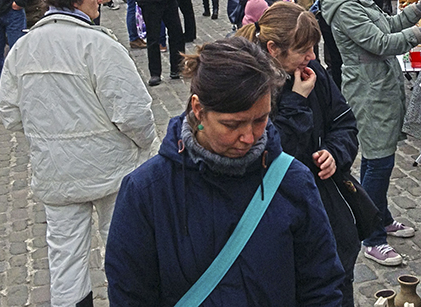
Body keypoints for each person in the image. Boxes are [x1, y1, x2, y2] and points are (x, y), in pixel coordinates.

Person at [105, 37, 346, 306]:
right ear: (198, 110)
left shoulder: (294, 182)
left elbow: (321, 287)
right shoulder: (146, 192)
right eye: (232, 125)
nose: (249, 137)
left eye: (260, 120)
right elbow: (130, 296)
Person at [0, 0, 156, 307]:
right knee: (121, 248)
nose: (100, 1)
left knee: (65, 257)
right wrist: (146, 146)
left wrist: (45, 134)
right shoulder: (98, 46)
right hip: (109, 169)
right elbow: (133, 112)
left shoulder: (24, 48)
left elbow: (9, 112)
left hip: (56, 171)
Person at [236, 1, 361, 306]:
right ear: (273, 49)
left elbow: (344, 123)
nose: (313, 57)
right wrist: (295, 101)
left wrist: (334, 153)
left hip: (325, 206)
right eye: (303, 50)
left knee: (336, 283)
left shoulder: (311, 72)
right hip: (273, 215)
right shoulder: (247, 85)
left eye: (313, 47)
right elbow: (269, 155)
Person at [319, 0, 421, 267]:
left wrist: (420, 7)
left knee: (375, 159)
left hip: (380, 86)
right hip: (368, 92)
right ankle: (371, 237)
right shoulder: (345, 8)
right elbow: (381, 43)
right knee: (379, 162)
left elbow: (389, 25)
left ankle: (380, 218)